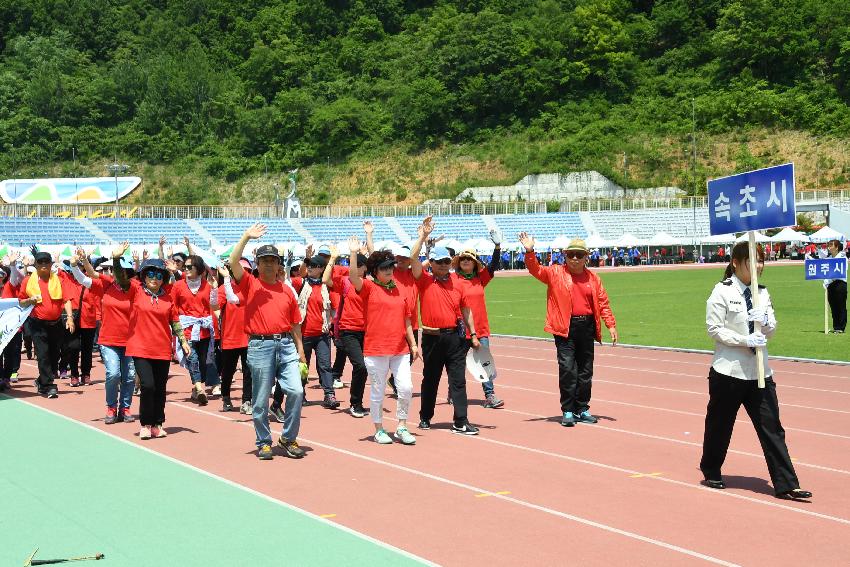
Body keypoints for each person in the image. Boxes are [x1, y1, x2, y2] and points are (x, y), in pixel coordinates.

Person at [700, 241, 813, 500]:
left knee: (772, 426)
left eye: (761, 260)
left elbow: (770, 331)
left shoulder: (762, 293)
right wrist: (744, 340)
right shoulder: (721, 292)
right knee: (720, 424)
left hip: (760, 371)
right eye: (753, 260)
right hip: (729, 372)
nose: (759, 266)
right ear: (736, 263)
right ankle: (712, 470)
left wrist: (767, 322)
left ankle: (787, 484)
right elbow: (714, 330)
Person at [518, 234, 618, 427]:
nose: (574, 258)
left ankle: (582, 408)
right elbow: (535, 270)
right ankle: (568, 410)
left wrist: (610, 324)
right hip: (565, 327)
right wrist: (530, 251)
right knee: (567, 370)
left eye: (578, 255)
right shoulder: (555, 273)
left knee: (585, 371)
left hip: (586, 327)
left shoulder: (594, 278)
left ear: (586, 257)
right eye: (570, 254)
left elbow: (603, 303)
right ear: (565, 256)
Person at [230, 224, 308, 461]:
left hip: (286, 346)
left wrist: (301, 351)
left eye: (272, 260)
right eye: (264, 260)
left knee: (295, 390)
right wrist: (245, 236)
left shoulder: (286, 291)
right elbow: (234, 263)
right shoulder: (250, 284)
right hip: (260, 346)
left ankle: (287, 438)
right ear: (257, 263)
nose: (268, 264)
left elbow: (295, 324)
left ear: (278, 265)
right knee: (261, 399)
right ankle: (264, 442)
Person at [112, 243, 190, 440]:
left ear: (163, 279)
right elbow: (121, 280)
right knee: (147, 386)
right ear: (144, 276)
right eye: (150, 275)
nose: (154, 279)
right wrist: (116, 259)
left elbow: (174, 321)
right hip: (140, 348)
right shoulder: (136, 290)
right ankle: (146, 424)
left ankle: (158, 423)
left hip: (162, 348)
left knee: (160, 388)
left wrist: (184, 341)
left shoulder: (168, 297)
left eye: (158, 276)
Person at [410, 217, 480, 435]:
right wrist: (422, 236)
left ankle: (461, 420)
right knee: (431, 378)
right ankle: (425, 417)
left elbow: (467, 310)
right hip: (432, 338)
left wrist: (474, 334)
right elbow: (412, 259)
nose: (442, 265)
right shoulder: (424, 280)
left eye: (446, 261)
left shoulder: (459, 283)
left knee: (458, 380)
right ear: (431, 263)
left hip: (455, 338)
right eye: (438, 261)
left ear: (451, 263)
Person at [348, 240, 419, 444]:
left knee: (405, 388)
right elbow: (354, 276)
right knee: (378, 391)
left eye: (390, 266)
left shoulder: (399, 290)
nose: (389, 270)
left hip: (400, 349)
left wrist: (413, 344)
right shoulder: (369, 288)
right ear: (375, 271)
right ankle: (379, 429)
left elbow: (407, 320)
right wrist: (353, 253)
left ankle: (402, 426)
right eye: (384, 268)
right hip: (376, 350)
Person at [70, 249, 137, 424]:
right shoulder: (106, 284)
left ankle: (125, 407)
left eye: (122, 270)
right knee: (113, 374)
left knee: (129, 376)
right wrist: (74, 265)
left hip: (131, 341)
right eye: (115, 270)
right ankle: (111, 407)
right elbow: (84, 279)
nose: (116, 273)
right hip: (109, 340)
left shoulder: (135, 288)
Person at [451, 230, 504, 409]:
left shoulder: (481, 279)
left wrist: (497, 247)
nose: (466, 261)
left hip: (480, 329)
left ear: (474, 263)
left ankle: (489, 395)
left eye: (469, 259)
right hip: (459, 329)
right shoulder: (453, 279)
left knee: (485, 362)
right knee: (457, 364)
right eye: (463, 258)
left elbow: (493, 265)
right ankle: (453, 391)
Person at [18, 250, 74, 398]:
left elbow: (66, 300)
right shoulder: (27, 281)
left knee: (54, 356)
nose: (43, 264)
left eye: (46, 262)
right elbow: (21, 302)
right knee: (43, 355)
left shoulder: (59, 280)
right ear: (35, 265)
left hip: (56, 324)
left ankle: (41, 381)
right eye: (40, 262)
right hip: (37, 324)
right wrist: (30, 300)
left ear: (51, 264)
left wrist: (69, 317)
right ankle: (49, 386)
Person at [323, 246, 370, 418]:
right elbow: (325, 279)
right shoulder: (345, 282)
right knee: (360, 366)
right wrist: (332, 258)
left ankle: (360, 402)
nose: (353, 268)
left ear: (364, 267)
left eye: (357, 265)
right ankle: (355, 403)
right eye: (351, 264)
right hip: (348, 330)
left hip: (367, 331)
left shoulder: (370, 284)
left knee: (368, 369)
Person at [171, 253, 219, 405]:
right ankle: (199, 389)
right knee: (193, 358)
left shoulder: (207, 285)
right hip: (186, 329)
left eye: (189, 267)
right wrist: (175, 326)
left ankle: (195, 388)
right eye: (185, 267)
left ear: (198, 268)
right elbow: (173, 307)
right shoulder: (178, 285)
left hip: (204, 330)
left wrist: (215, 289)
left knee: (204, 362)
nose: (186, 269)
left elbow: (213, 305)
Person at [297, 253, 339, 409]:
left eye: (313, 266)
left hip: (322, 334)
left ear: (321, 269)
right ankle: (300, 394)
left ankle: (329, 395)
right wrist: (305, 259)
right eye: (308, 265)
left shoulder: (326, 286)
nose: (309, 268)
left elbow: (334, 309)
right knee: (302, 366)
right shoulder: (301, 283)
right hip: (304, 334)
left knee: (325, 365)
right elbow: (298, 273)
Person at [218, 262, 253, 413]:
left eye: (246, 270)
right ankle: (226, 397)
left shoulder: (251, 288)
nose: (243, 273)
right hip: (230, 337)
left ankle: (247, 400)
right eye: (241, 270)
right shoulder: (223, 288)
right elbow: (215, 306)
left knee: (248, 371)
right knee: (228, 371)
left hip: (249, 337)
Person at [824, 239, 847, 334]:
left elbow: (839, 273)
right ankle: (836, 326)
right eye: (828, 245)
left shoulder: (842, 258)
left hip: (840, 284)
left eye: (831, 245)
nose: (829, 247)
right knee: (833, 306)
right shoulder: (829, 258)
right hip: (830, 285)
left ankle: (841, 327)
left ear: (837, 247)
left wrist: (828, 280)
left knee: (840, 306)